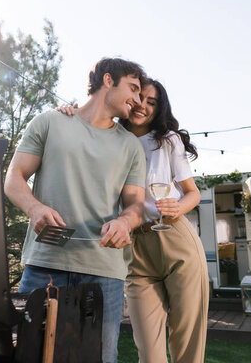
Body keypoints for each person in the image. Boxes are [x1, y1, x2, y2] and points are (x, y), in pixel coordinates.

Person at [4, 57, 148, 363]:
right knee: (27, 356)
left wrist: (125, 222)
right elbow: (13, 178)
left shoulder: (130, 146)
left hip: (103, 275)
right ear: (108, 80)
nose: (137, 100)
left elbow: (136, 205)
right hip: (45, 265)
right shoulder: (49, 122)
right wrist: (34, 207)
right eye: (133, 88)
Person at [59, 79, 209, 363]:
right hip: (134, 247)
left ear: (159, 108)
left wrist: (177, 208)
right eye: (140, 98)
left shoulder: (168, 140)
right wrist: (70, 113)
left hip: (175, 238)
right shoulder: (111, 138)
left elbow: (193, 193)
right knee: (150, 353)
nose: (143, 105)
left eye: (152, 102)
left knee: (187, 342)